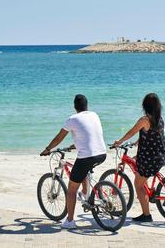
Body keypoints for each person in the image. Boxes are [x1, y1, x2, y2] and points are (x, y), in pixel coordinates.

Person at [40, 94, 107, 229]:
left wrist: (48, 149)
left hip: (87, 157)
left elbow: (59, 137)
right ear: (87, 105)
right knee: (82, 168)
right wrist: (74, 145)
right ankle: (85, 193)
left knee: (71, 189)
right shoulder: (94, 115)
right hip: (102, 154)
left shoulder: (72, 119)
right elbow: (90, 135)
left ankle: (70, 221)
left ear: (75, 107)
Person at [113, 93, 165, 222]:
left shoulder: (144, 120)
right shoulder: (160, 118)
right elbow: (154, 135)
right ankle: (149, 191)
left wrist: (119, 142)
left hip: (150, 158)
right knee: (138, 164)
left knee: (137, 185)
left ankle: (146, 215)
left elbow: (130, 132)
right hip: (161, 154)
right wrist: (138, 142)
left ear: (145, 106)